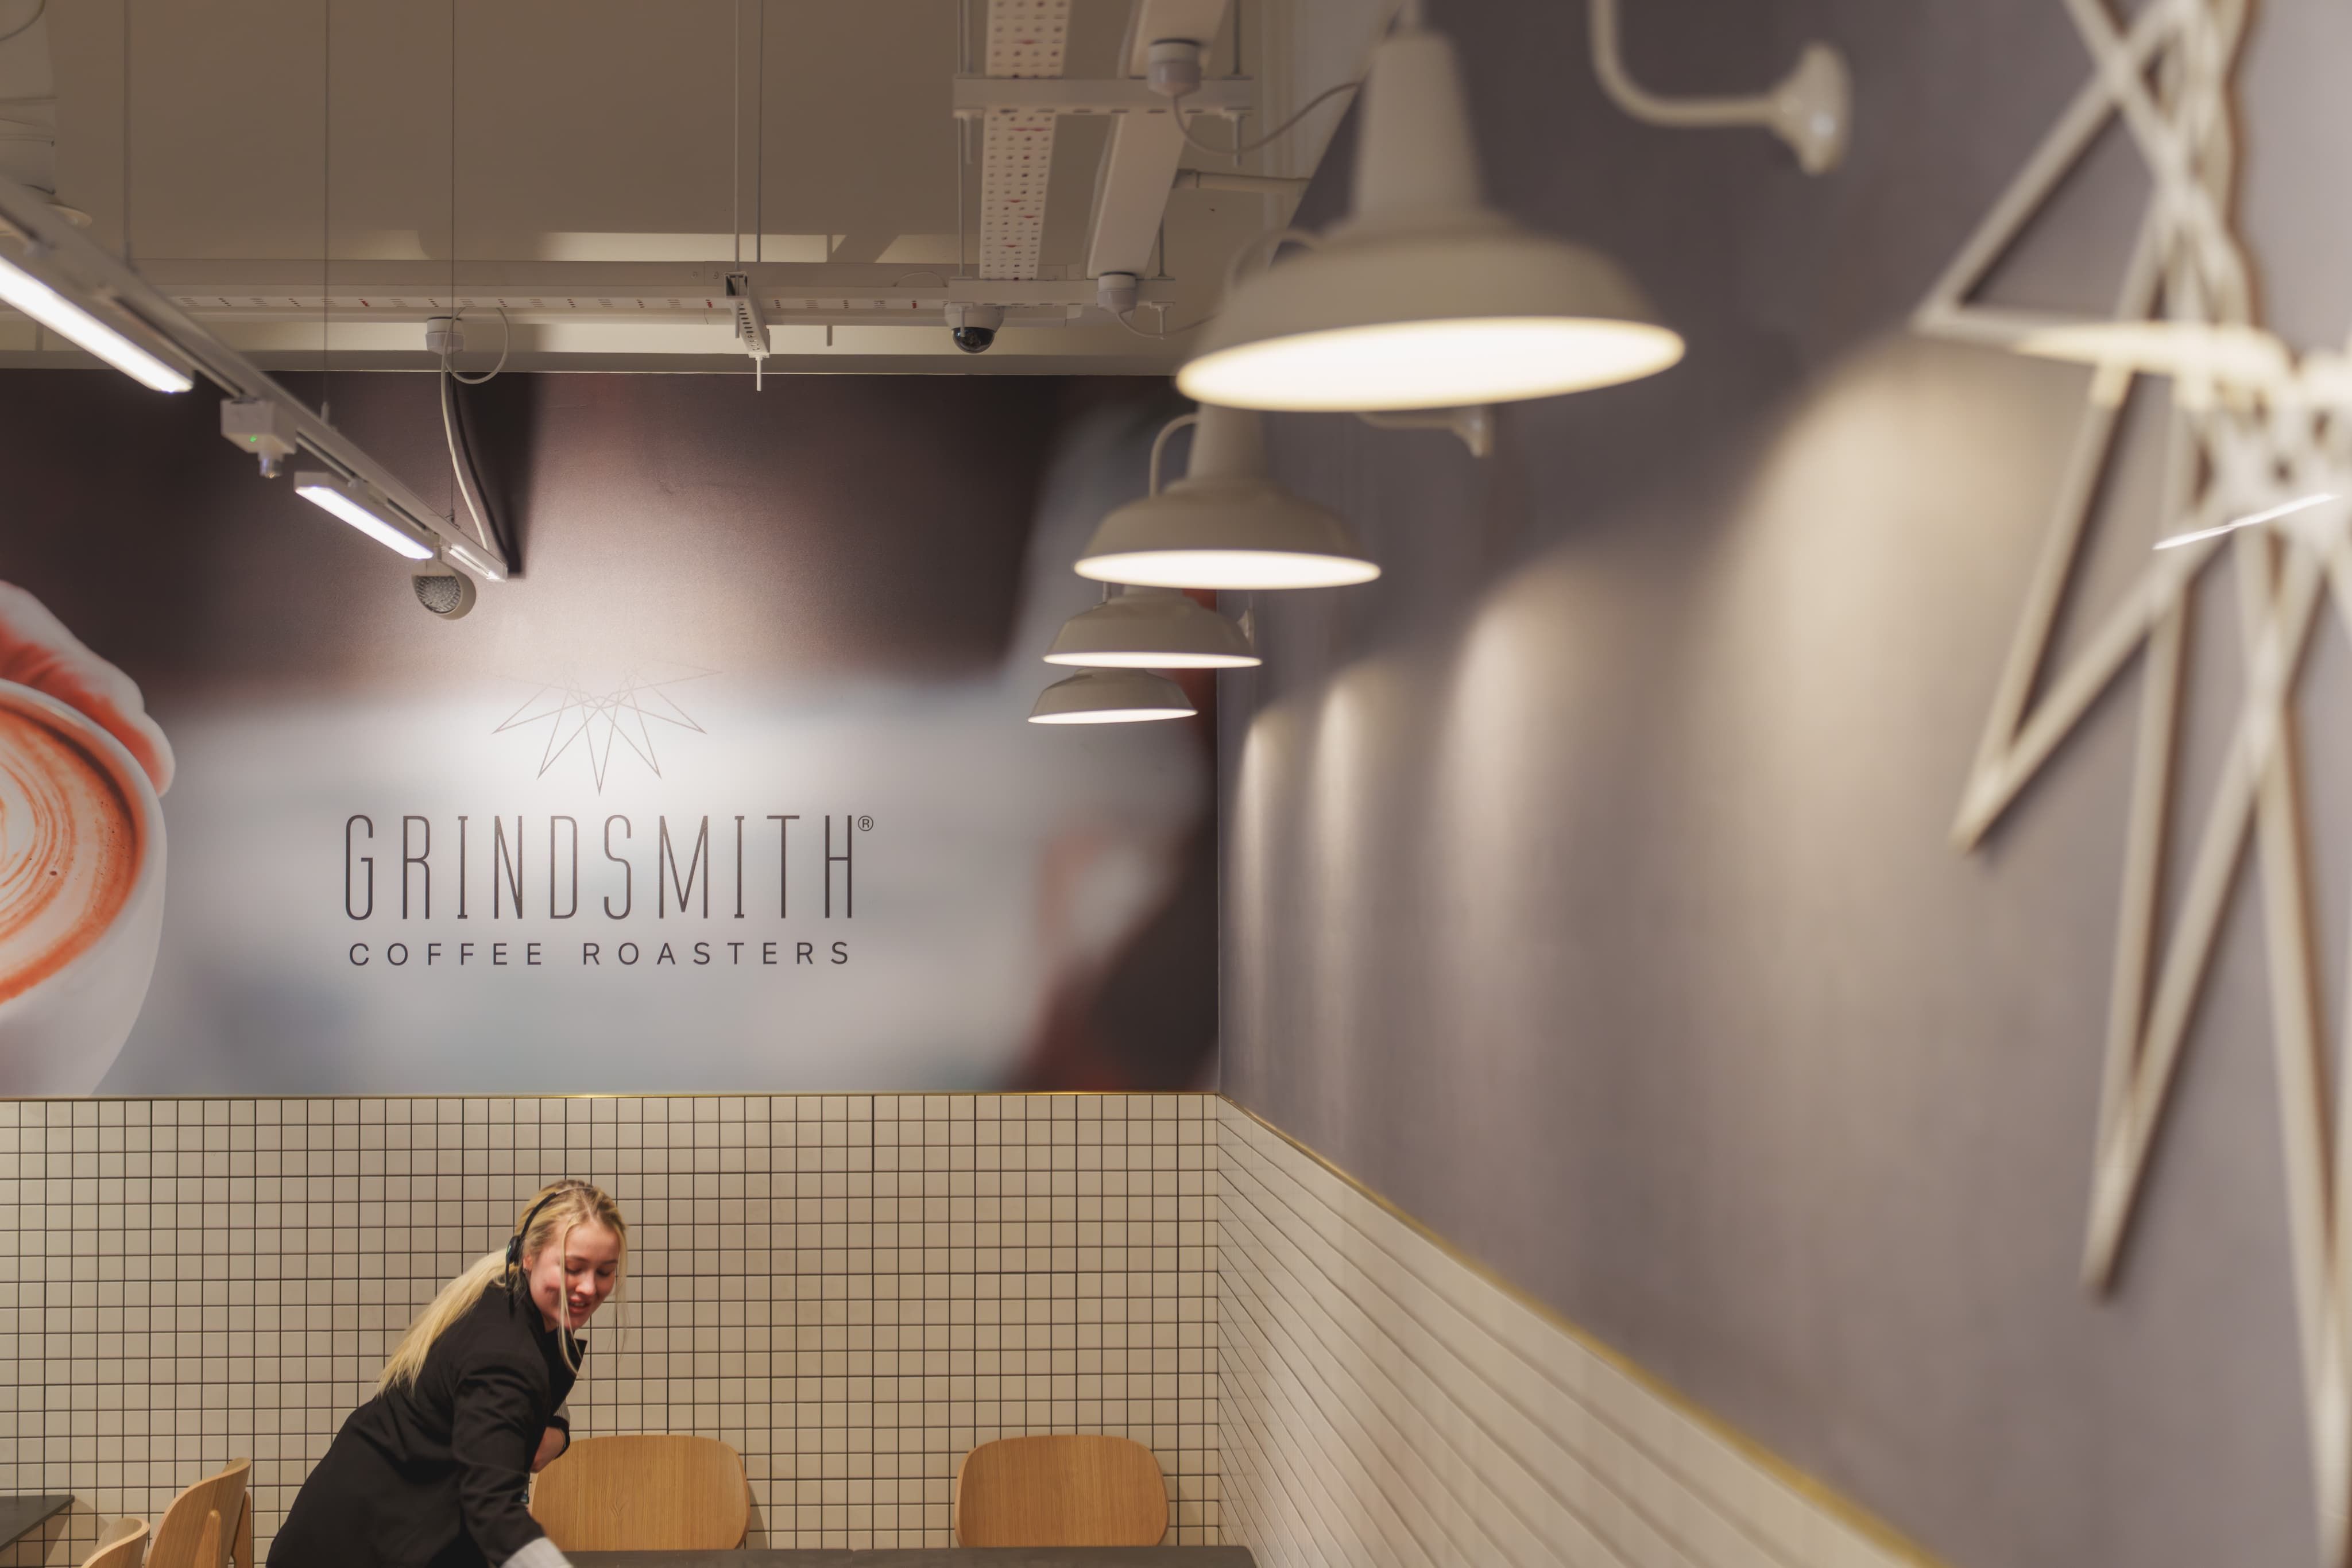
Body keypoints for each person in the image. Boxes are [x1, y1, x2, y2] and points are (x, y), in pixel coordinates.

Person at [266, 1181, 628, 1568]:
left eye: (604, 1272)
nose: (589, 1287)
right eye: (573, 1268)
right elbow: (492, 1508)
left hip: (360, 1527)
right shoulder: (505, 1351)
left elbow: (532, 1436)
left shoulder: (506, 1299)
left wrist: (557, 1432)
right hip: (354, 1545)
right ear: (529, 1255)